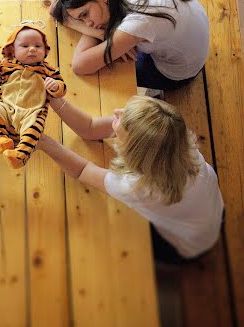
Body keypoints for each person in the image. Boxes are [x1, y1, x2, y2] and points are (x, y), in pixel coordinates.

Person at [39, 93, 224, 263]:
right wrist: (55, 100)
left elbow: (82, 171)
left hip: (186, 246)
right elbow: (89, 128)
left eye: (121, 122)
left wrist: (45, 142)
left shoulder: (139, 188)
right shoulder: (173, 138)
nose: (116, 112)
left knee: (111, 235)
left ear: (132, 147)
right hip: (211, 214)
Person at [50, 0, 209, 90]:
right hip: (192, 35)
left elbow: (79, 65)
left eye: (85, 14)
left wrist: (78, 25)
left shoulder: (141, 20)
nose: (87, 23)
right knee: (111, 47)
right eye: (80, 19)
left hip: (178, 72)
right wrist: (102, 33)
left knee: (110, 73)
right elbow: (55, 7)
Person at [0, 22, 66, 169]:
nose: (32, 49)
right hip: (7, 108)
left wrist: (55, 86)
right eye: (25, 46)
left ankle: (20, 156)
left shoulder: (47, 70)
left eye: (38, 46)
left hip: (33, 112)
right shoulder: (6, 67)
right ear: (12, 50)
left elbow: (62, 88)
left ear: (45, 49)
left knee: (34, 131)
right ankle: (1, 141)